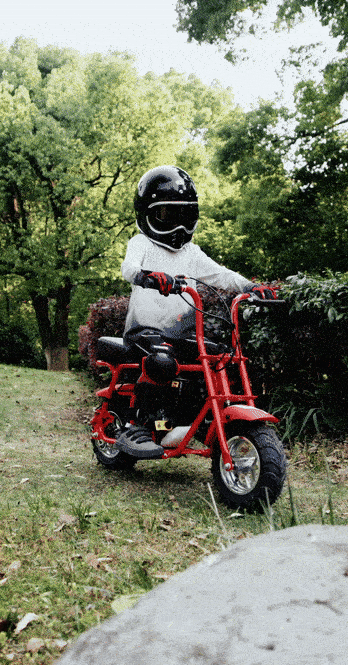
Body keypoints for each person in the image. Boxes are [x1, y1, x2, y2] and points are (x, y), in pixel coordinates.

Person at [115, 164, 273, 458]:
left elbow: (222, 274)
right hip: (143, 330)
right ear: (147, 214)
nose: (178, 226)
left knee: (220, 357)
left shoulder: (192, 253)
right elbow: (129, 268)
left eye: (185, 216)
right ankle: (136, 426)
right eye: (167, 215)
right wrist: (148, 276)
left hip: (182, 332)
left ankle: (199, 420)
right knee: (161, 362)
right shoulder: (141, 243)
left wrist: (251, 287)